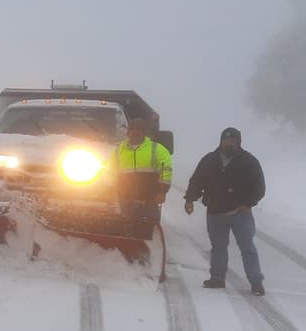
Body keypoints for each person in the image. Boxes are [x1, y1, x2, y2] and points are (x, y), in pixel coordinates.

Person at [184, 127, 267, 295]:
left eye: (232, 141)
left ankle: (256, 282)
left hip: (240, 213)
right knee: (218, 247)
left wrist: (249, 203)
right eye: (226, 140)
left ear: (239, 142)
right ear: (221, 141)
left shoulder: (249, 161)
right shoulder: (209, 159)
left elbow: (259, 187)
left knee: (247, 248)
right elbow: (197, 180)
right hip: (215, 213)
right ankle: (217, 279)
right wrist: (189, 199)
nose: (228, 144)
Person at [111, 117, 172, 238]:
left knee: (146, 226)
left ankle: (143, 252)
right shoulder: (118, 150)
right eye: (132, 129)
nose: (135, 132)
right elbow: (112, 172)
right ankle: (128, 250)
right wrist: (114, 191)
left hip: (149, 197)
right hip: (126, 198)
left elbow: (166, 170)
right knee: (126, 226)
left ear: (144, 132)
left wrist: (162, 192)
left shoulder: (157, 149)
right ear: (128, 132)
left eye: (139, 129)